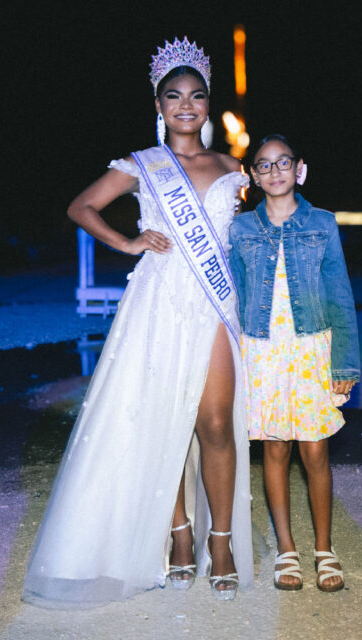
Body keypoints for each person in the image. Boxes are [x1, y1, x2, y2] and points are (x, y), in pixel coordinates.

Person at [21, 38, 253, 607]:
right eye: (173, 96)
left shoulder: (233, 168)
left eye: (196, 96)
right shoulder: (141, 165)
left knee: (217, 423)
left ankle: (219, 543)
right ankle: (178, 539)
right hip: (157, 300)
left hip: (215, 305)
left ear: (207, 103)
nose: (186, 106)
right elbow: (81, 207)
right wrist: (127, 242)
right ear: (158, 104)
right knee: (160, 421)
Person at [229, 134, 359, 592]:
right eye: (264, 165)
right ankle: (288, 550)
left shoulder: (323, 223)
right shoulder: (241, 229)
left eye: (283, 162)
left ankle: (325, 549)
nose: (275, 171)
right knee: (275, 447)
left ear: (299, 169)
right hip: (261, 351)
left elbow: (341, 297)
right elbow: (234, 296)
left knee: (316, 449)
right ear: (253, 176)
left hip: (311, 349)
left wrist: (345, 364)